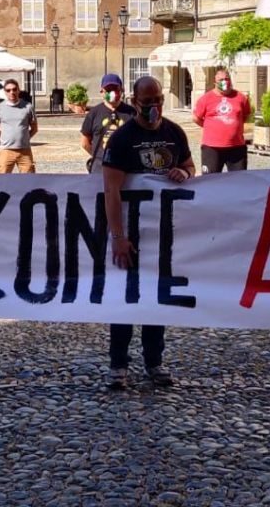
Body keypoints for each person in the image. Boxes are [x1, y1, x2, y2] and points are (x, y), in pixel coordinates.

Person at [101, 76, 196, 390]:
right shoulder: (123, 138)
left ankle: (154, 361)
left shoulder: (174, 132)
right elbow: (111, 190)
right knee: (125, 298)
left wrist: (183, 172)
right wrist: (118, 237)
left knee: (157, 299)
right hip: (131, 232)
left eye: (157, 100)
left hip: (164, 235)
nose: (153, 107)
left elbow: (190, 167)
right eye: (147, 102)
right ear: (135, 100)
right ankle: (119, 365)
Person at [193, 67, 252, 173]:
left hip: (236, 147)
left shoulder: (241, 98)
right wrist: (209, 126)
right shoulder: (206, 99)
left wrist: (233, 125)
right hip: (212, 148)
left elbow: (245, 116)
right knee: (210, 181)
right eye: (221, 80)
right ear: (215, 82)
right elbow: (196, 118)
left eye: (227, 79)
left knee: (239, 181)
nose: (224, 82)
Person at [80, 73, 137, 174]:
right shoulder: (94, 113)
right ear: (102, 92)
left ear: (121, 90)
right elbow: (85, 142)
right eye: (108, 90)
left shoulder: (132, 113)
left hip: (127, 167)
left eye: (115, 89)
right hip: (100, 167)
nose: (112, 93)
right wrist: (98, 155)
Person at [0, 79, 38, 173]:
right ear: (5, 92)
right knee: (2, 180)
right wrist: (5, 138)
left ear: (18, 90)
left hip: (25, 151)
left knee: (29, 180)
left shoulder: (28, 107)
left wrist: (25, 138)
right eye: (8, 90)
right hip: (6, 151)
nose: (11, 92)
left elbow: (34, 128)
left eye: (14, 89)